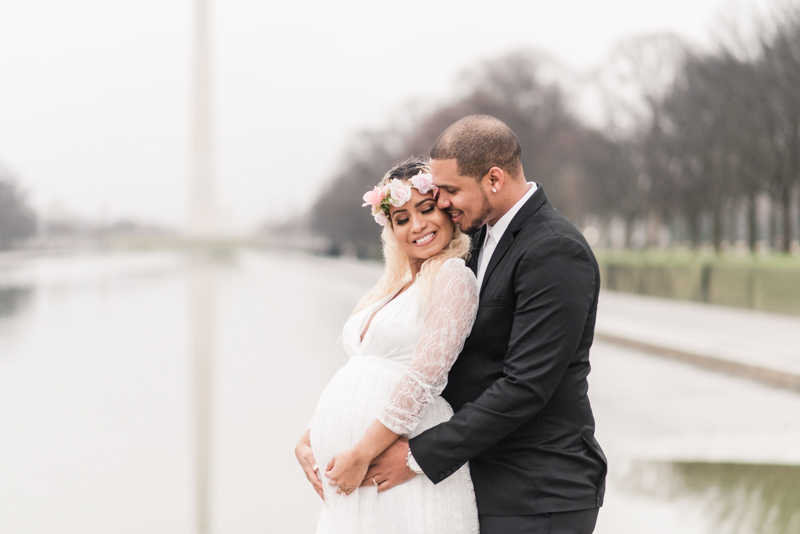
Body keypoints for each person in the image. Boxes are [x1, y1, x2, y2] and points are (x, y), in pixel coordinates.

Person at [361, 115, 607, 534]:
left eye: (452, 191)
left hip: (537, 491)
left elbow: (525, 386)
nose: (444, 204)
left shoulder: (555, 249)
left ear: (494, 179)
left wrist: (415, 456)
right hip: (485, 481)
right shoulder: (476, 240)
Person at [294, 156, 480, 534]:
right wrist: (311, 436)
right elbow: (362, 373)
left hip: (387, 469)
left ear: (447, 211)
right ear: (390, 229)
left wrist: (361, 453)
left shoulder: (452, 276)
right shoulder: (392, 288)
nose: (418, 226)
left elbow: (424, 378)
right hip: (353, 477)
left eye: (426, 209)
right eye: (402, 218)